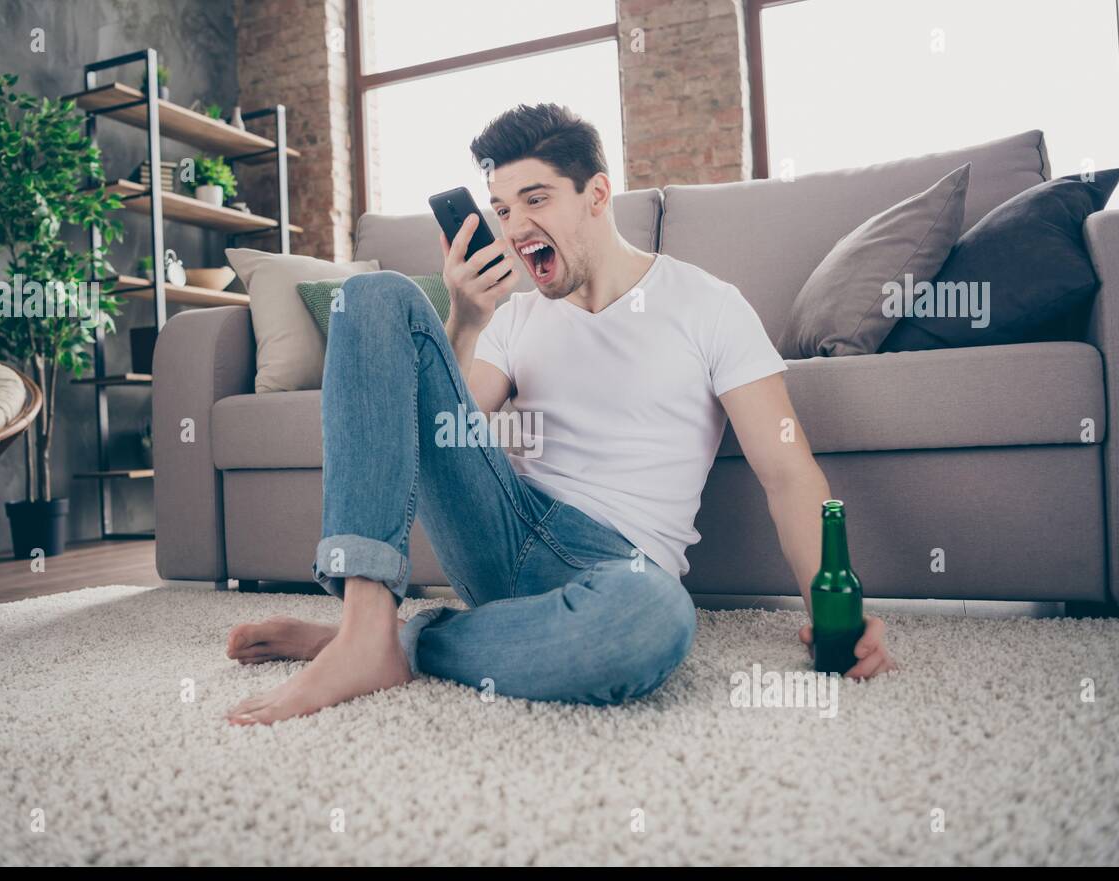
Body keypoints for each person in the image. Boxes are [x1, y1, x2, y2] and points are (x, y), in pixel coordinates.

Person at [225, 103, 895, 725]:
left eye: (535, 200)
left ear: (597, 196)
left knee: (655, 621)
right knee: (370, 296)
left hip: (620, 570)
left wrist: (834, 614)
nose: (514, 228)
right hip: (504, 525)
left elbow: (786, 471)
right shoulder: (514, 317)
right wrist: (464, 318)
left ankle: (401, 643)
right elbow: (435, 435)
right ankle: (364, 626)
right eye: (501, 209)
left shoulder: (708, 305)